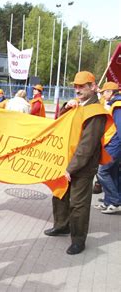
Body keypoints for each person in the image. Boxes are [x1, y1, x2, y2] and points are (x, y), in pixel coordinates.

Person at [44, 71, 111, 255]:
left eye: (82, 86)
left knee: (78, 204)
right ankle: (61, 225)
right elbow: (59, 125)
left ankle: (78, 240)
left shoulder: (96, 112)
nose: (77, 89)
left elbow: (87, 146)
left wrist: (71, 168)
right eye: (76, 86)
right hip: (65, 161)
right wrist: (66, 107)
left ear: (93, 87)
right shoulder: (77, 106)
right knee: (60, 196)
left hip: (82, 167)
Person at [94, 81, 121, 213]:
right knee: (112, 173)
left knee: (102, 171)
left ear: (110, 92)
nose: (103, 95)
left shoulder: (118, 106)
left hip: (115, 145)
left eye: (104, 92)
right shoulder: (114, 105)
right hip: (112, 144)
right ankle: (108, 202)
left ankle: (115, 202)